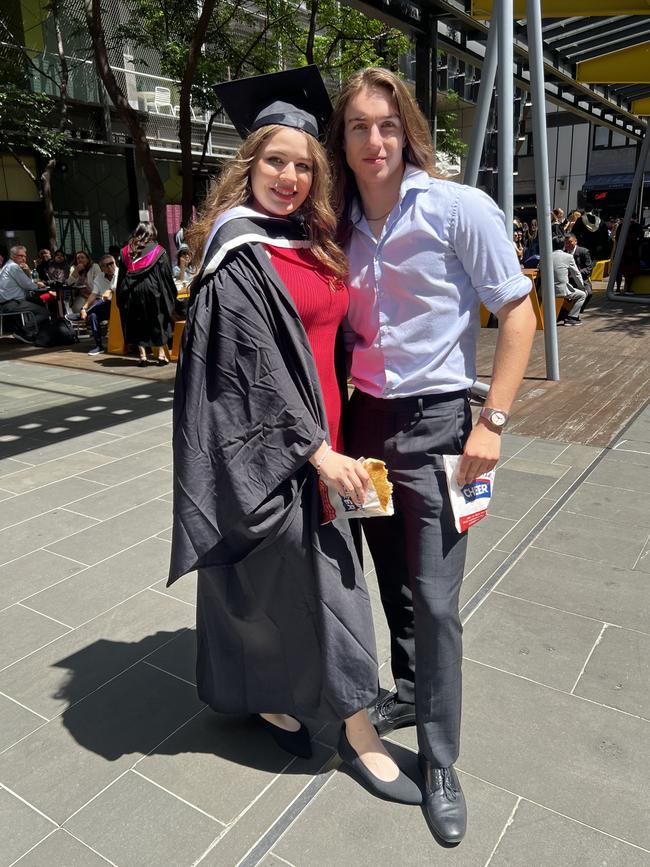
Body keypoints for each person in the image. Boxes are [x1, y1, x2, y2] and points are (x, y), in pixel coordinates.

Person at [168, 66, 421, 806]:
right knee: (319, 586)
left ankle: (271, 695)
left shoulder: (313, 237)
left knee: (269, 586)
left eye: (306, 165)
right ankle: (358, 730)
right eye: (276, 160)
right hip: (277, 451)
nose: (290, 176)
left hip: (330, 439)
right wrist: (315, 450)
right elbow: (247, 371)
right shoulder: (239, 250)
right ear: (250, 163)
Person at [326, 67, 537, 843]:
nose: (374, 140)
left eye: (386, 124)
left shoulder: (456, 207)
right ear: (342, 142)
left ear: (406, 128)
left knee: (439, 600)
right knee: (393, 581)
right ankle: (411, 688)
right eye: (358, 127)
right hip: (365, 427)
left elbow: (519, 310)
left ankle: (441, 757)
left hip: (444, 425)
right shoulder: (338, 221)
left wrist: (495, 420)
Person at [116, 223, 177, 367]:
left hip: (131, 290)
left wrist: (120, 295)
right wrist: (171, 294)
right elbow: (166, 276)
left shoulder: (125, 251)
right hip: (151, 290)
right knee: (157, 320)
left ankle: (142, 357)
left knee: (137, 321)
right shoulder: (158, 251)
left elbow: (121, 277)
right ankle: (161, 355)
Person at [0, 245, 50, 342]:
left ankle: (32, 331)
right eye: (20, 256)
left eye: (25, 256)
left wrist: (27, 271)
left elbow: (26, 282)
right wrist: (39, 285)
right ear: (13, 256)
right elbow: (28, 285)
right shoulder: (13, 267)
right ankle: (24, 332)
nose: (24, 258)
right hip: (11, 303)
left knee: (38, 301)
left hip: (8, 303)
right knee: (44, 312)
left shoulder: (8, 266)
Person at [81, 254, 117, 355]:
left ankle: (83, 313)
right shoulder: (99, 277)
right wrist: (84, 307)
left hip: (120, 307)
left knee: (103, 302)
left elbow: (114, 288)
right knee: (93, 316)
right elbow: (93, 294)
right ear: (102, 268)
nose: (110, 267)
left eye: (112, 264)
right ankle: (98, 346)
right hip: (106, 306)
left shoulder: (120, 272)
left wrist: (109, 291)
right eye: (107, 265)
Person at [552, 235, 586, 324]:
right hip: (560, 290)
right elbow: (576, 274)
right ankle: (572, 318)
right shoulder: (568, 257)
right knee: (582, 295)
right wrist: (582, 287)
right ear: (564, 245)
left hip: (545, 291)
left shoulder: (544, 256)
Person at [66, 251, 101, 317]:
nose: (80, 260)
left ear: (87, 259)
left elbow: (98, 284)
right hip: (81, 296)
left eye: (82, 257)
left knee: (94, 309)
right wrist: (76, 271)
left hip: (94, 295)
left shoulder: (94, 267)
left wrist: (87, 285)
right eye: (78, 258)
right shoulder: (74, 268)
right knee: (76, 308)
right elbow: (69, 283)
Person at [564, 232, 593, 312]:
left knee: (589, 293)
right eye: (566, 243)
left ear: (575, 241)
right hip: (566, 280)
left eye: (570, 242)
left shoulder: (584, 251)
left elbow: (589, 268)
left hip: (581, 279)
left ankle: (579, 309)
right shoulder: (563, 253)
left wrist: (575, 273)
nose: (567, 245)